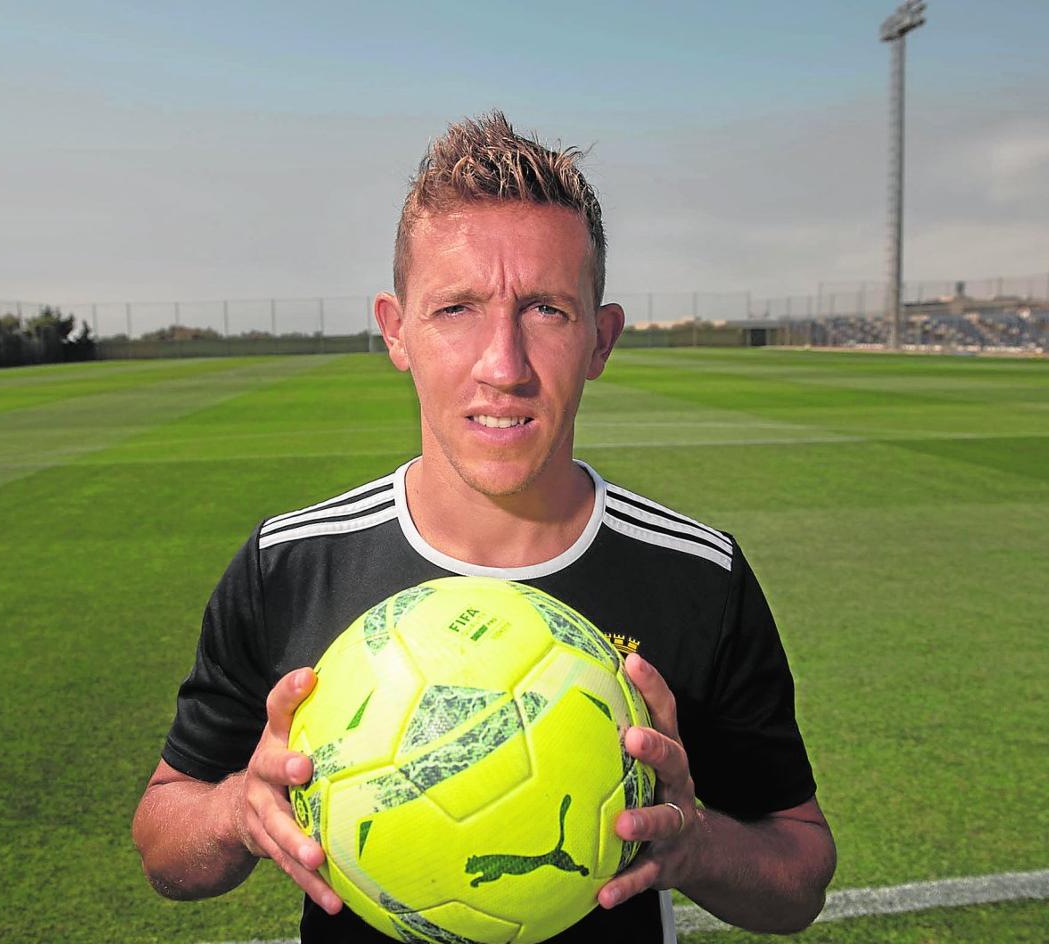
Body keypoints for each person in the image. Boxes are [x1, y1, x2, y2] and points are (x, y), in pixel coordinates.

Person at [132, 111, 836, 942]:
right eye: (457, 308)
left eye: (546, 309)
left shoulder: (696, 577)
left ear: (601, 339)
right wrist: (235, 814)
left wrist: (698, 846)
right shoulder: (291, 566)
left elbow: (799, 874)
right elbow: (163, 838)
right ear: (396, 331)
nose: (503, 365)